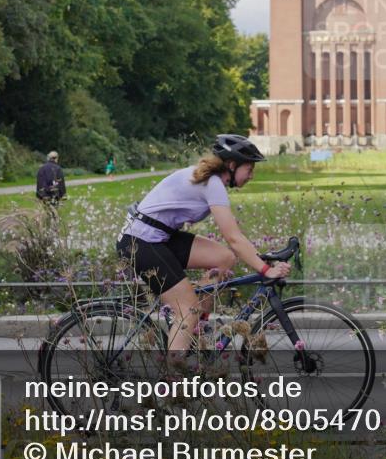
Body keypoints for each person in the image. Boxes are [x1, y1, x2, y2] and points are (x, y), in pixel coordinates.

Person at [116, 134, 291, 358]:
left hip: (159, 237)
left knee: (224, 259)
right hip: (139, 242)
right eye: (249, 168)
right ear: (232, 164)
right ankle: (173, 383)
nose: (252, 175)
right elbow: (234, 237)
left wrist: (262, 260)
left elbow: (233, 244)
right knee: (186, 310)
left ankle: (195, 330)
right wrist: (266, 270)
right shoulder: (212, 184)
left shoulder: (211, 180)